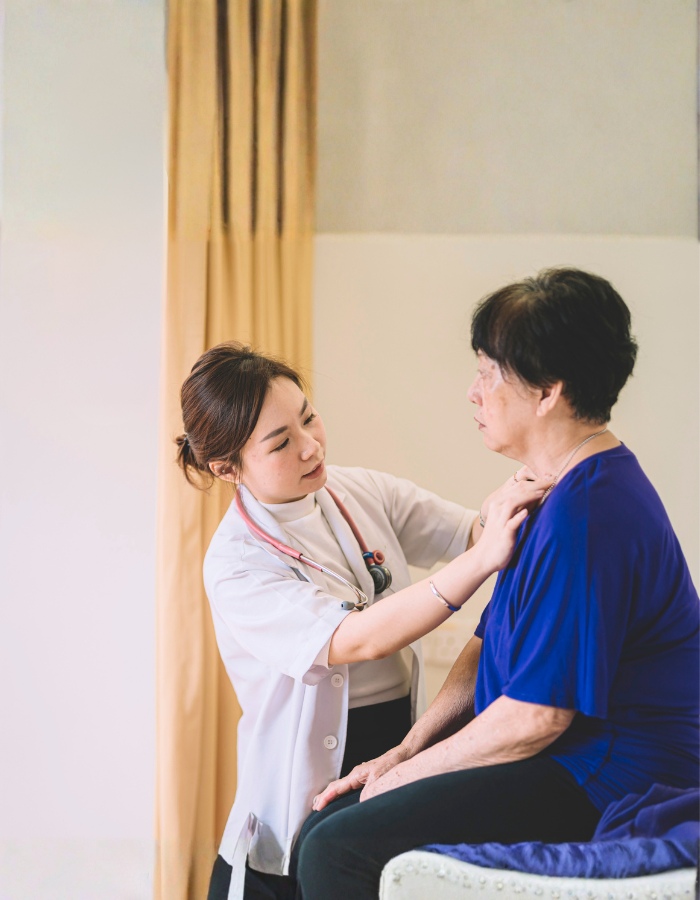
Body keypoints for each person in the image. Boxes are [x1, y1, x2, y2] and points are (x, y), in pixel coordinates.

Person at [298, 267, 700, 900]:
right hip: (562, 753)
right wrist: (402, 753)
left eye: (489, 372)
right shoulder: (547, 493)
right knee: (328, 823)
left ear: (547, 392)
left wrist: (400, 781)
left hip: (609, 773)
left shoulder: (591, 513)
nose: (472, 391)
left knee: (337, 849)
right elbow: (487, 646)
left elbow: (534, 718)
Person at [174, 343, 547, 900]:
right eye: (281, 442)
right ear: (228, 467)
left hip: (389, 747)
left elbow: (471, 532)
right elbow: (358, 639)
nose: (310, 446)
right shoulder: (236, 564)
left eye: (308, 417)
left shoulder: (357, 490)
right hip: (292, 794)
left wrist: (528, 485)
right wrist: (483, 557)